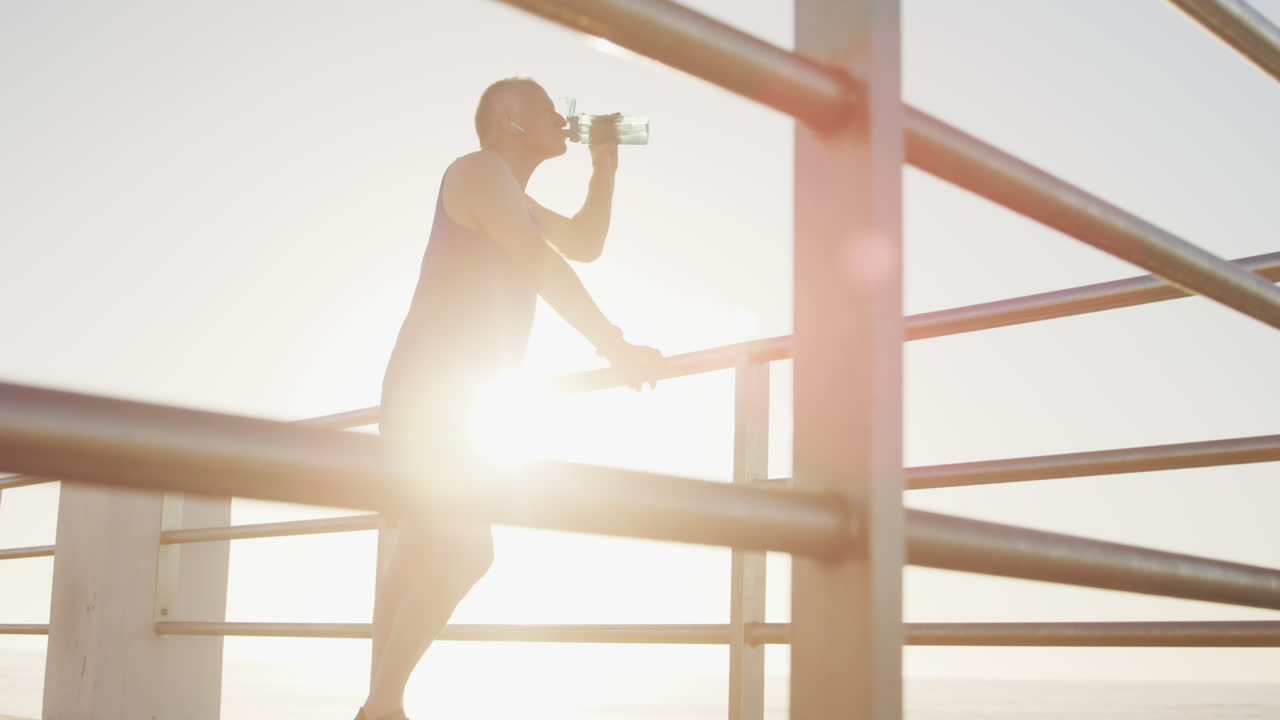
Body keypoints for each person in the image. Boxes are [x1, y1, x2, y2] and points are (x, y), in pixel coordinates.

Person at [356, 77, 664, 720]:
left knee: (421, 550)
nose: (560, 113)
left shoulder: (513, 195)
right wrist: (614, 343)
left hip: (458, 400)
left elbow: (584, 242)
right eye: (544, 105)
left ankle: (379, 705)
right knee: (468, 548)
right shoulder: (475, 171)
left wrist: (603, 167)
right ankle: (381, 707)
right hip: (431, 397)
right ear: (506, 119)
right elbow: (543, 264)